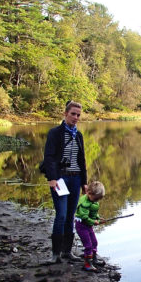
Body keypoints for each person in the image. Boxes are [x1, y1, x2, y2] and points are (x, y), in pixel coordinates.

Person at [41, 101, 87, 263]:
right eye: (73, 114)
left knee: (70, 216)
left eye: (78, 115)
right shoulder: (55, 133)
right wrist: (52, 178)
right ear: (65, 114)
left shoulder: (78, 135)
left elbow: (82, 160)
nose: (76, 117)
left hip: (75, 178)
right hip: (60, 178)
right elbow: (49, 157)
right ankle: (56, 254)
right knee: (60, 215)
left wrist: (84, 182)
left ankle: (67, 252)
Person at [74, 180, 105, 272]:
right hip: (81, 226)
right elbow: (84, 217)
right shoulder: (84, 203)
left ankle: (94, 259)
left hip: (88, 225)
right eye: (95, 199)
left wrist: (98, 218)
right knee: (88, 245)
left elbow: (93, 212)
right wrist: (93, 222)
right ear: (89, 193)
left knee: (94, 242)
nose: (97, 201)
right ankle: (87, 264)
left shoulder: (92, 201)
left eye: (98, 199)